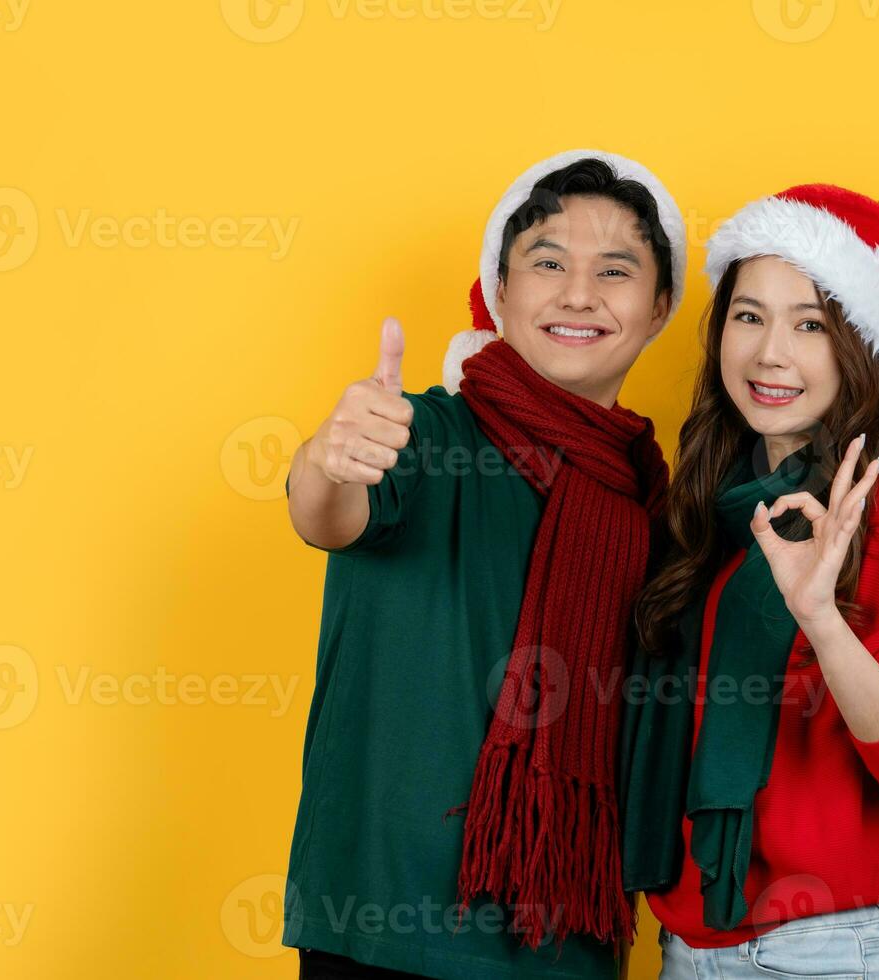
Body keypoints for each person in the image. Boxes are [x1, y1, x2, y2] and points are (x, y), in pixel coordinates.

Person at [282, 150, 687, 980]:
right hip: (384, 933)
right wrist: (330, 458)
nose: (579, 295)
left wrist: (859, 912)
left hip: (568, 944)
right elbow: (327, 515)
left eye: (615, 271)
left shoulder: (654, 510)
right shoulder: (426, 436)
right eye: (547, 264)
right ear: (500, 293)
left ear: (658, 309)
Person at [619, 184, 879, 980]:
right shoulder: (706, 511)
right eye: (748, 316)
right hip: (689, 949)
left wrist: (822, 619)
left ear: (858, 348)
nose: (769, 353)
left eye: (810, 324)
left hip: (823, 953)